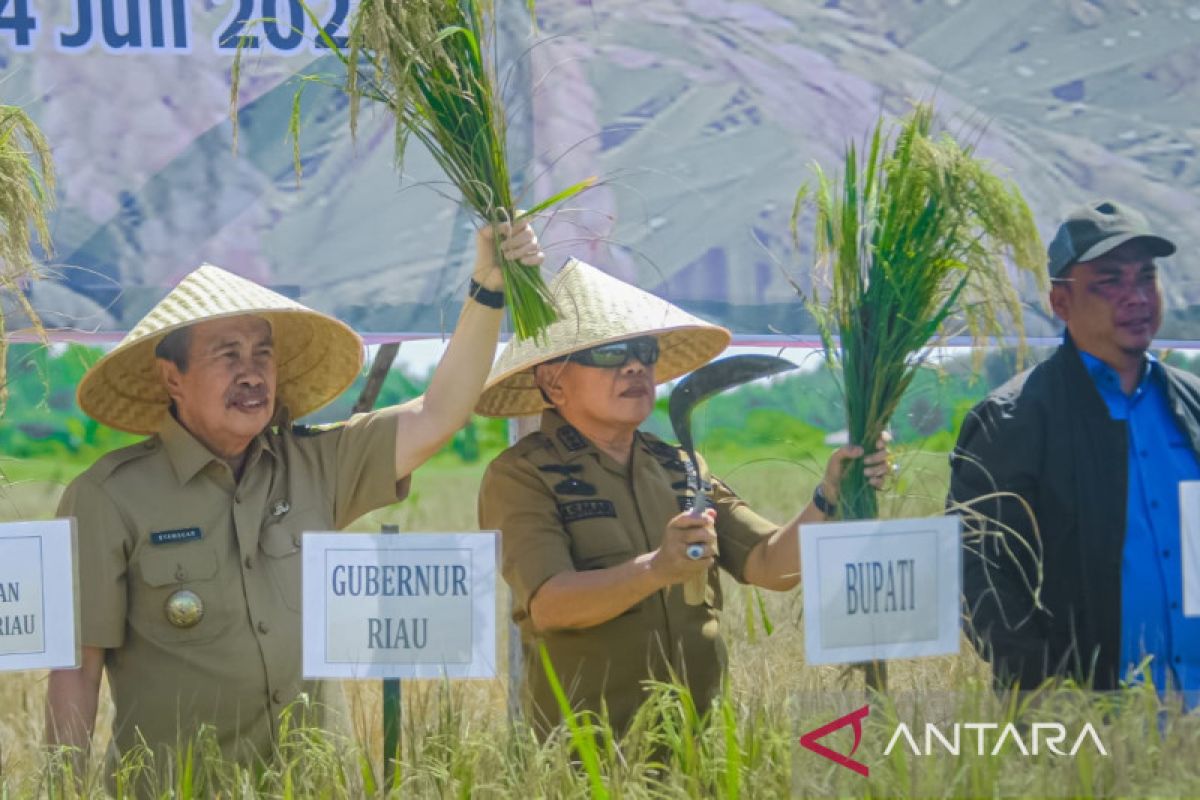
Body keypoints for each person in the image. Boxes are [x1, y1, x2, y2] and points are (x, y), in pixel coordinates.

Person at [44, 223, 543, 766]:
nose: (252, 372)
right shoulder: (108, 497)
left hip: (316, 782)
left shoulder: (314, 465)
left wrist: (488, 288)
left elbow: (439, 413)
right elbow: (78, 667)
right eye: (227, 354)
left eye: (263, 354)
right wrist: (61, 786)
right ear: (172, 378)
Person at [476, 258, 890, 734]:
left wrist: (830, 495)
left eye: (644, 350)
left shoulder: (680, 466)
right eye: (611, 353)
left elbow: (771, 566)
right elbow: (550, 604)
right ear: (553, 381)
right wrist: (656, 568)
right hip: (588, 759)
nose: (635, 365)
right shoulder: (523, 475)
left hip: (701, 752)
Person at [953, 200, 1199, 702]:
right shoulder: (1012, 420)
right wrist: (1053, 696)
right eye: (1109, 281)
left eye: (1145, 276)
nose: (1135, 297)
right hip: (1090, 726)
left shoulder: (1192, 404)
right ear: (1060, 303)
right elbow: (980, 576)